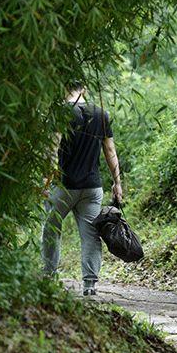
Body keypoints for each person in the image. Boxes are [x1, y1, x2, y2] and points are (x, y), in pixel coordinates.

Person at [41, 82, 123, 297]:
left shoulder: (60, 113)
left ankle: (49, 276)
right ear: (84, 88)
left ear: (63, 88)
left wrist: (46, 182)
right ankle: (90, 284)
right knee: (90, 235)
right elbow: (110, 152)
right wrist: (117, 182)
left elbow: (52, 148)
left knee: (51, 230)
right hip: (92, 187)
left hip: (63, 187)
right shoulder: (101, 114)